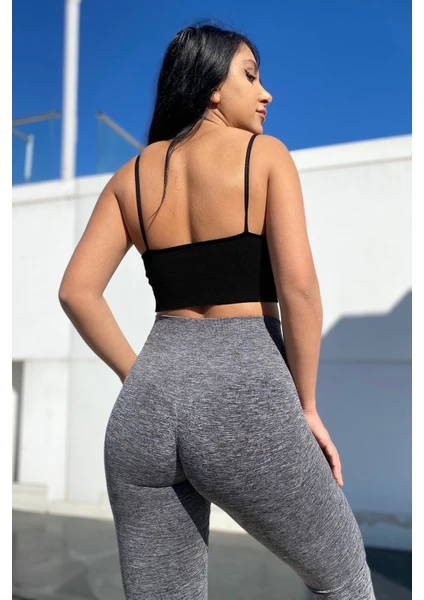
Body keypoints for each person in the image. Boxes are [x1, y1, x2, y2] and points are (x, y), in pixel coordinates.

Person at [58, 21, 376, 600]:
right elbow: (300, 291)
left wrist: (140, 380)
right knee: (345, 577)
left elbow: (76, 291)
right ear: (210, 86)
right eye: (250, 76)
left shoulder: (129, 177)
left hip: (145, 412)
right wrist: (306, 406)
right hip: (245, 396)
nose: (266, 93)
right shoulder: (265, 155)